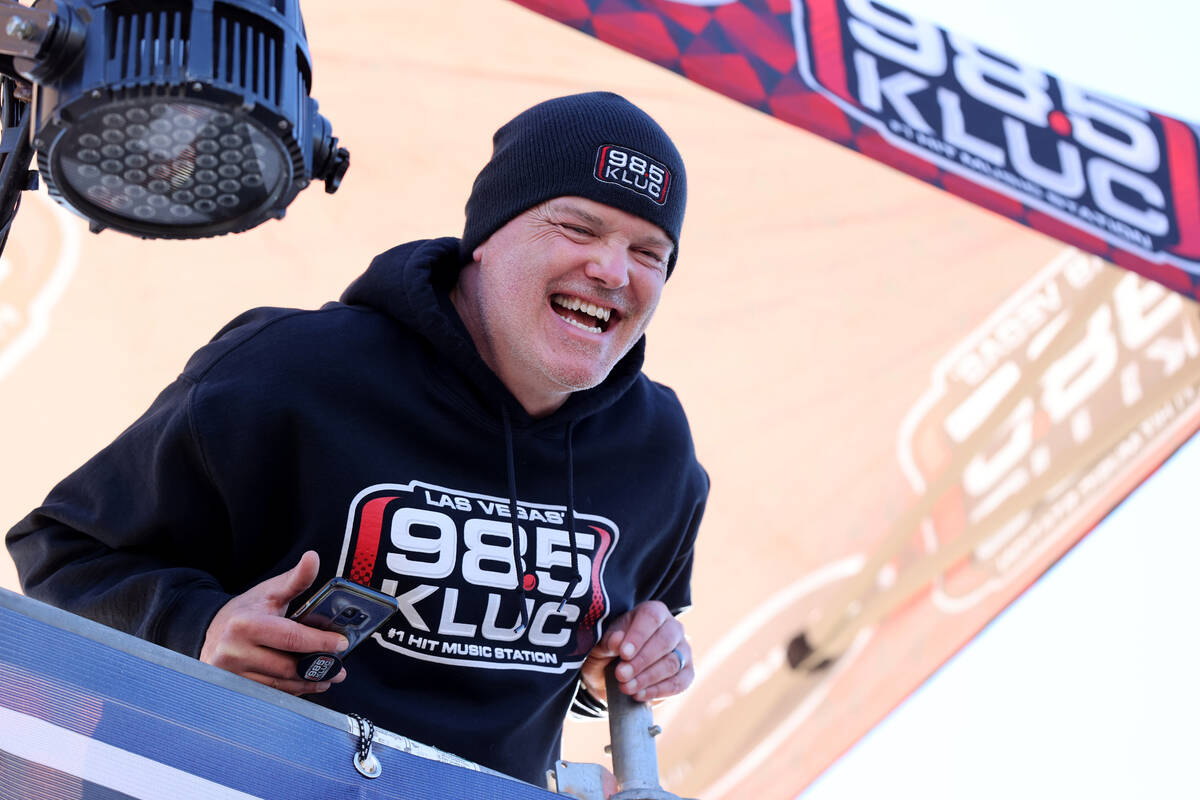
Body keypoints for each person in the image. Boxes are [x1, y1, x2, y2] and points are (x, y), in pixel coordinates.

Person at [6, 92, 708, 787]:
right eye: (578, 228)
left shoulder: (659, 455)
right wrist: (202, 628)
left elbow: (577, 659)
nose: (613, 272)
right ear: (488, 236)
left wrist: (625, 657)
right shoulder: (290, 370)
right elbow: (64, 550)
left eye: (649, 251)